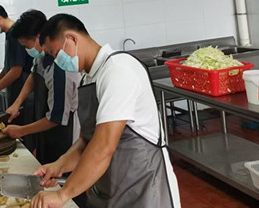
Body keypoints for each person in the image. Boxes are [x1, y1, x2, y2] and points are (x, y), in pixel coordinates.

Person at [32, 14, 181, 208]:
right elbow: (87, 141)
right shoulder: (89, 78)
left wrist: (63, 195)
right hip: (111, 188)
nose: (57, 62)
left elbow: (103, 146)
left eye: (56, 54)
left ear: (71, 39)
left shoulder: (118, 71)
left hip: (144, 189)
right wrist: (59, 165)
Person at [2, 10, 79, 165]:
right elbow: (34, 75)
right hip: (45, 127)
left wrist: (21, 131)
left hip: (64, 134)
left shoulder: (60, 67)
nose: (26, 50)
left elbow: (56, 118)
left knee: (61, 171)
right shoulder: (42, 57)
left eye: (26, 45)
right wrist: (17, 103)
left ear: (38, 37)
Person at [0, 3, 35, 145]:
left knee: (25, 137)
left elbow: (15, 72)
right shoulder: (9, 34)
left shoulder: (16, 35)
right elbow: (8, 67)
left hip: (25, 96)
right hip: (17, 93)